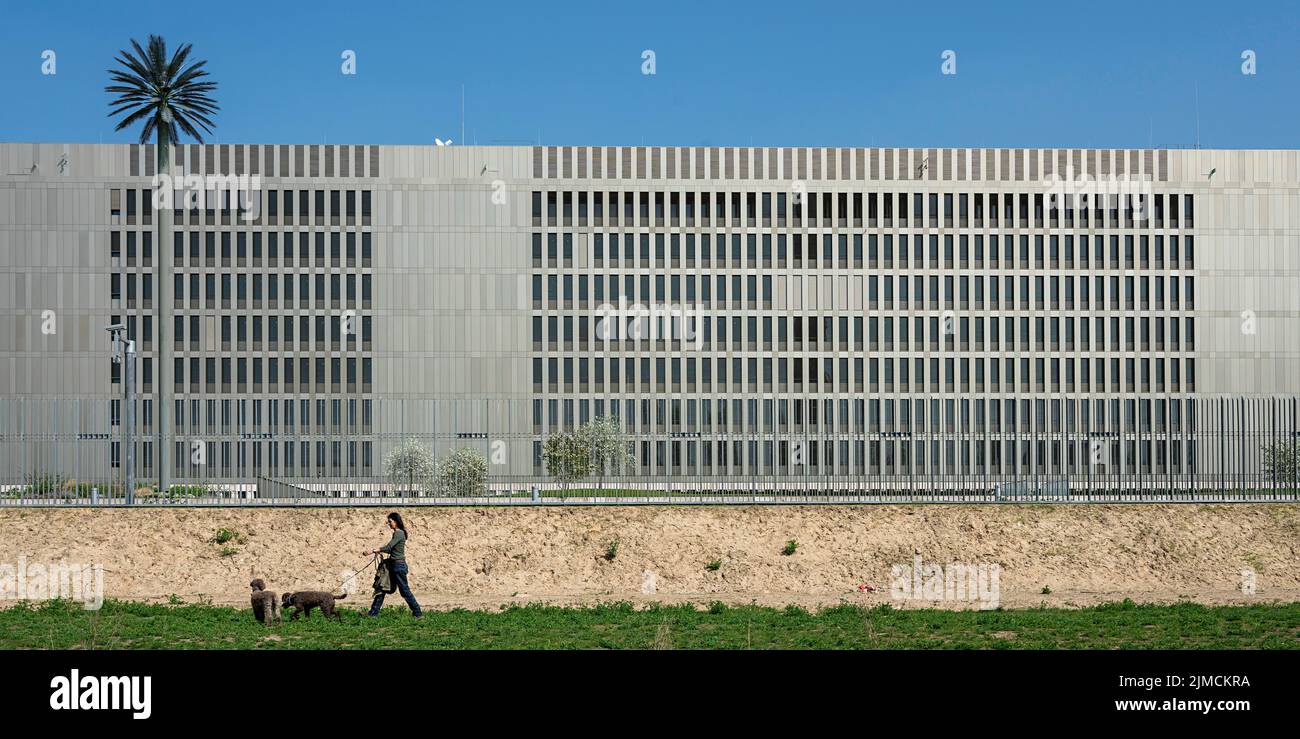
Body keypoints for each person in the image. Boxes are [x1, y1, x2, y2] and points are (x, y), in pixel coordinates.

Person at [364, 512, 423, 618]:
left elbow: (389, 547)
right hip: (394, 565)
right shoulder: (398, 533)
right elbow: (392, 549)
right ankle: (373, 614)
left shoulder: (399, 533)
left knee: (404, 591)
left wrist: (373, 550)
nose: (389, 524)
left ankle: (418, 613)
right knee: (382, 588)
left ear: (396, 521)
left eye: (390, 521)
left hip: (398, 566)